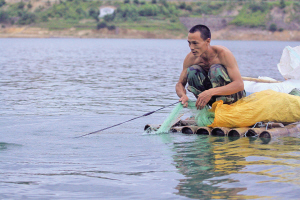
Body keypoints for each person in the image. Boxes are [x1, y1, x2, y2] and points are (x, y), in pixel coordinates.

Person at [176, 24, 246, 110]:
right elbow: (180, 84)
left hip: (233, 98)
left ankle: (224, 109)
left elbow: (239, 85)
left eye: (195, 43)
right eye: (189, 43)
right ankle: (206, 108)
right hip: (211, 98)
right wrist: (183, 95)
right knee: (192, 71)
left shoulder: (223, 54)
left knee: (215, 69)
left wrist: (210, 92)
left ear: (208, 41)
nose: (191, 47)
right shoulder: (190, 58)